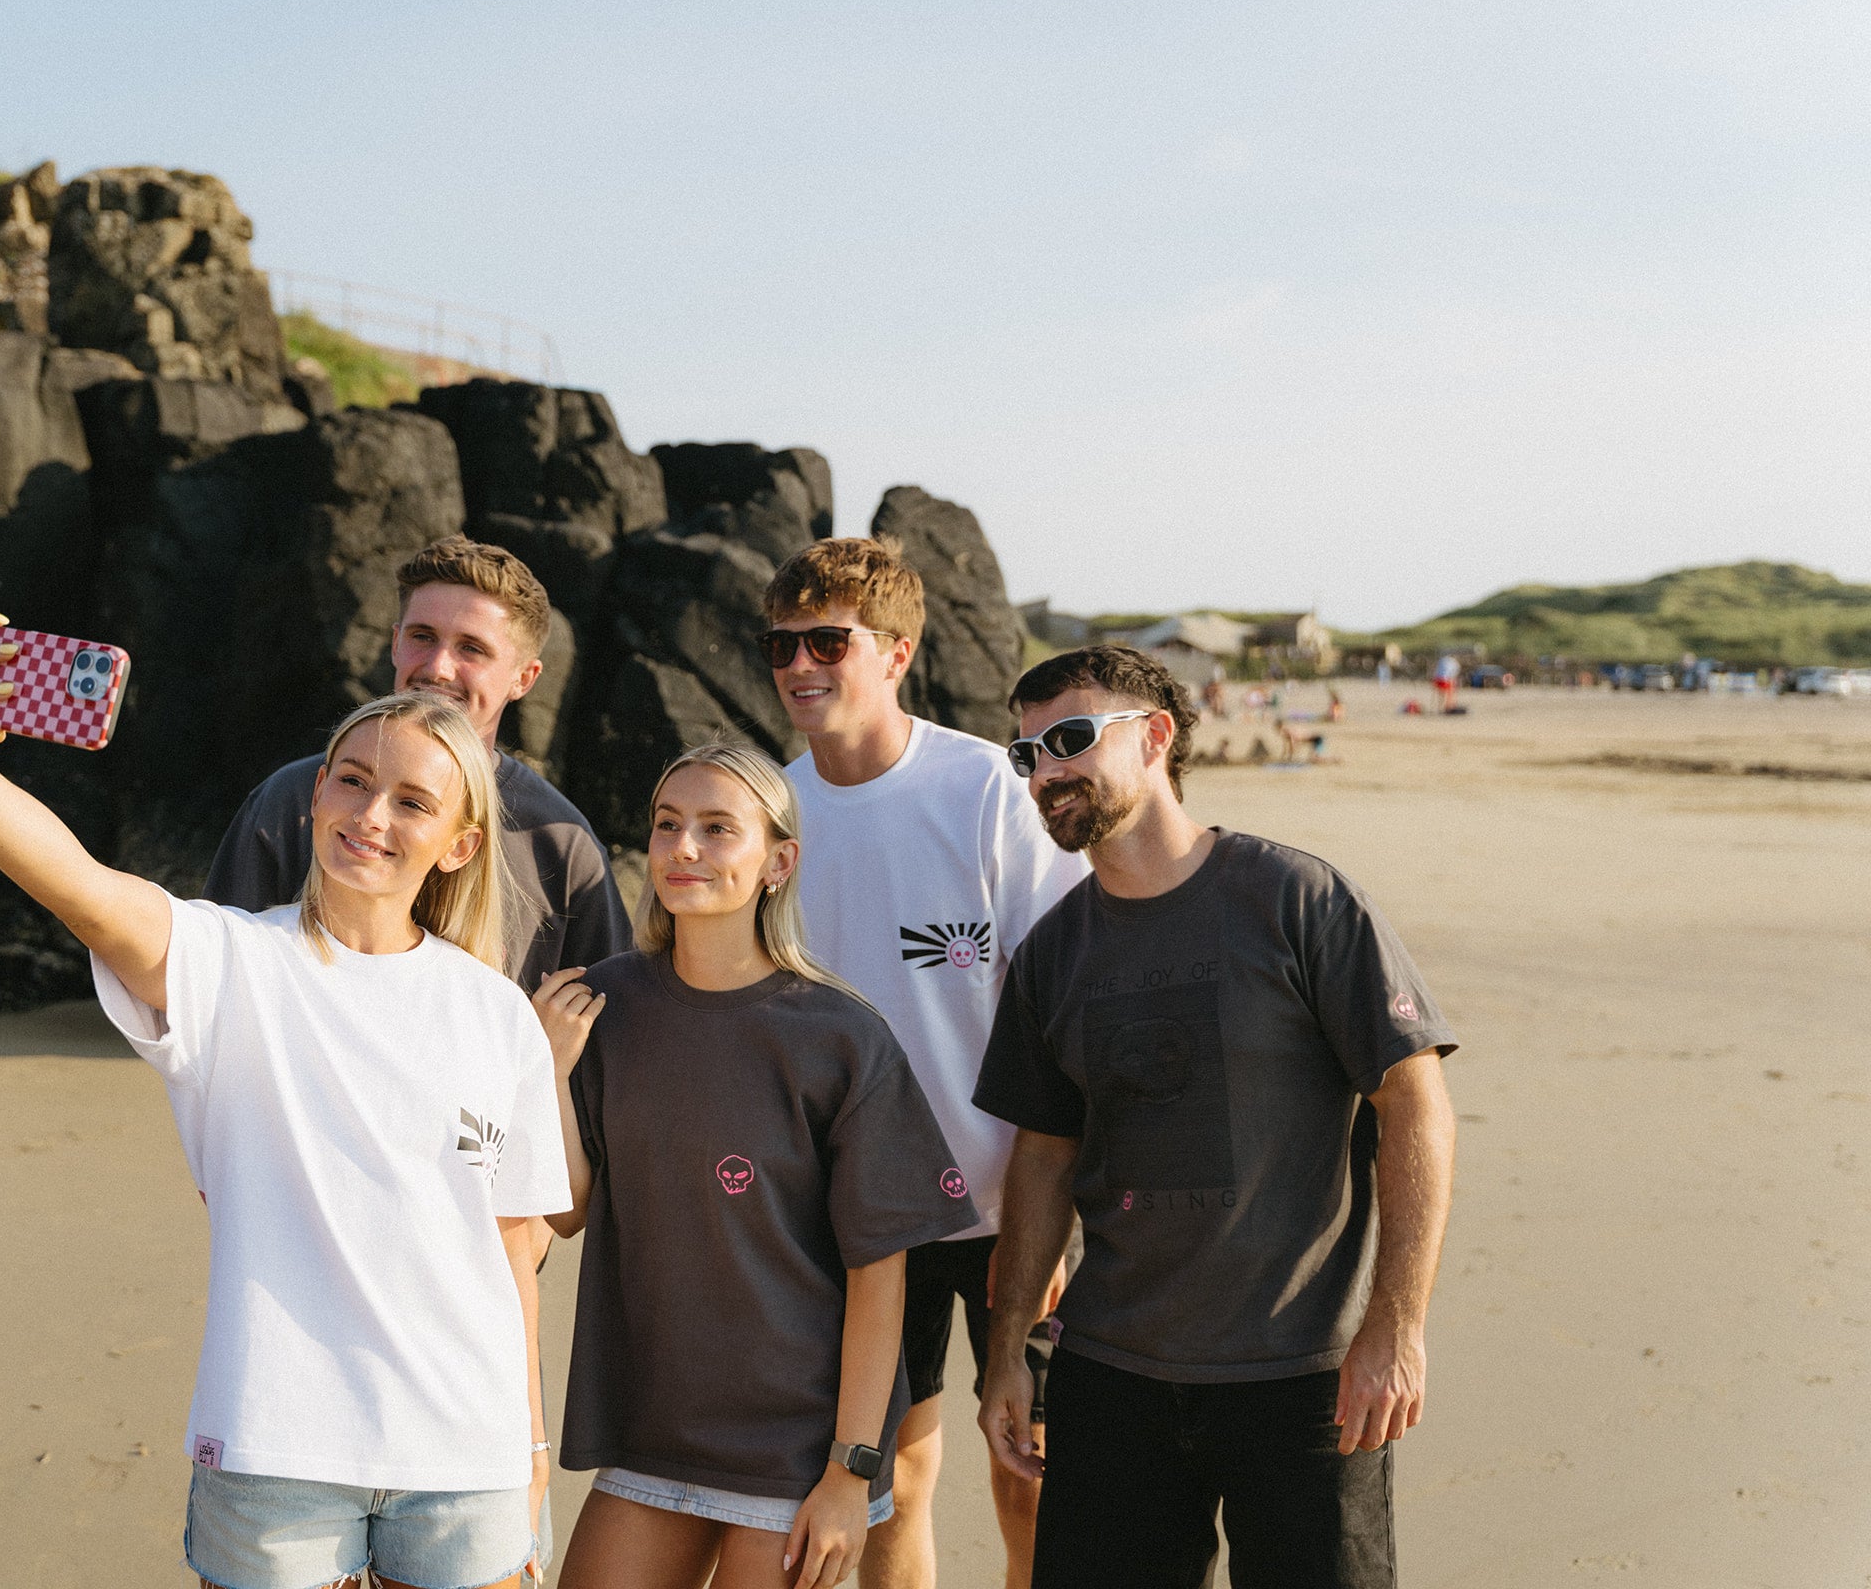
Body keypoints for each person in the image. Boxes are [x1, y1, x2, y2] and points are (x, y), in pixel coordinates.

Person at [0, 609, 568, 1589]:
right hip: (277, 1448)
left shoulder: (497, 1015)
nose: (371, 815)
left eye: (411, 801)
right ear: (313, 799)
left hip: (465, 1457)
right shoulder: (228, 960)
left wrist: (530, 1448)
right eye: (351, 779)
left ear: (461, 844)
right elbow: (78, 882)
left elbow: (513, 1252)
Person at [972, 645, 1458, 1589]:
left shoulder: (1295, 899)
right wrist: (1009, 1353)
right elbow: (1041, 1158)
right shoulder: (1050, 955)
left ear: (1155, 738)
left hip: (1305, 1374)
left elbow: (1417, 1106)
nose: (1047, 772)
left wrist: (1396, 1326)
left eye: (1071, 739)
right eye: (1026, 754)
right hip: (1113, 1376)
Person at [532, 742, 978, 1589]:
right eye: (667, 825)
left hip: (796, 1445)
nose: (683, 848)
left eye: (715, 829)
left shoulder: (843, 1037)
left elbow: (881, 1280)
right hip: (651, 1422)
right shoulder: (602, 1007)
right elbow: (566, 1210)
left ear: (779, 861)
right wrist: (549, 1074)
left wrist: (849, 1472)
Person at [760, 538, 1087, 1589]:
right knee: (888, 1471)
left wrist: (1050, 1216)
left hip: (1005, 1208)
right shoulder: (769, 808)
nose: (800, 664)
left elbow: (1059, 1011)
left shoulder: (988, 788)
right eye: (781, 644)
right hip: (855, 1217)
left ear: (896, 652)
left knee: (1028, 1459)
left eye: (827, 640)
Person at [206, 535, 630, 990]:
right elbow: (216, 981)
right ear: (394, 643)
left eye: (472, 649)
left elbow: (608, 1028)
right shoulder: (289, 802)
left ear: (523, 678)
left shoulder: (562, 845)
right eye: (422, 637)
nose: (438, 667)